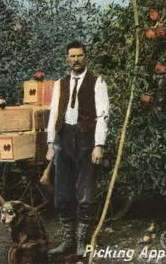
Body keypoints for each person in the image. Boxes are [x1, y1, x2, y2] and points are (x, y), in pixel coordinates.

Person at [45, 41, 109, 257]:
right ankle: (68, 241)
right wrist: (50, 144)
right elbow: (54, 114)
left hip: (86, 140)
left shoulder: (97, 82)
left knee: (85, 193)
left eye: (79, 56)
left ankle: (82, 242)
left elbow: (102, 116)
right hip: (63, 140)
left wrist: (99, 145)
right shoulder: (60, 84)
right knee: (62, 193)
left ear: (85, 57)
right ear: (67, 59)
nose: (76, 60)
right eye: (72, 56)